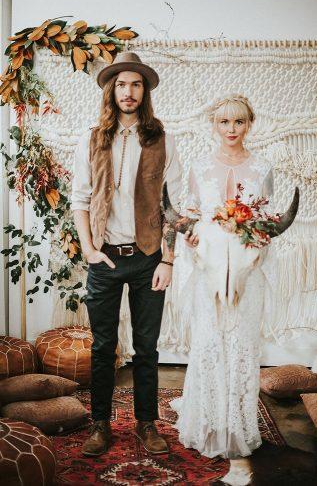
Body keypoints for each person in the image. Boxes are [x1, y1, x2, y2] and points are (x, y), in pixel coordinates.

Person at [71, 51, 181, 457]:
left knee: (146, 348)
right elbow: (79, 198)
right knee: (102, 347)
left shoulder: (162, 139)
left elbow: (173, 206)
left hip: (149, 256)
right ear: (111, 90)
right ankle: (100, 424)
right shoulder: (92, 138)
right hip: (106, 256)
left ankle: (146, 424)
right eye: (121, 84)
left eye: (136, 84)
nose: (128, 91)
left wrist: (168, 260)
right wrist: (88, 248)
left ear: (144, 91)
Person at [169, 95, 274, 485]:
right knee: (211, 343)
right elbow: (190, 215)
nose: (231, 129)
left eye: (239, 122)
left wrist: (254, 245)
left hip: (247, 273)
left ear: (250, 124)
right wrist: (193, 236)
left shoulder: (263, 167)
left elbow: (265, 219)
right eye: (224, 122)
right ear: (214, 125)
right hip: (208, 272)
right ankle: (208, 421)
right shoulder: (198, 167)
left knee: (241, 345)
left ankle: (237, 430)